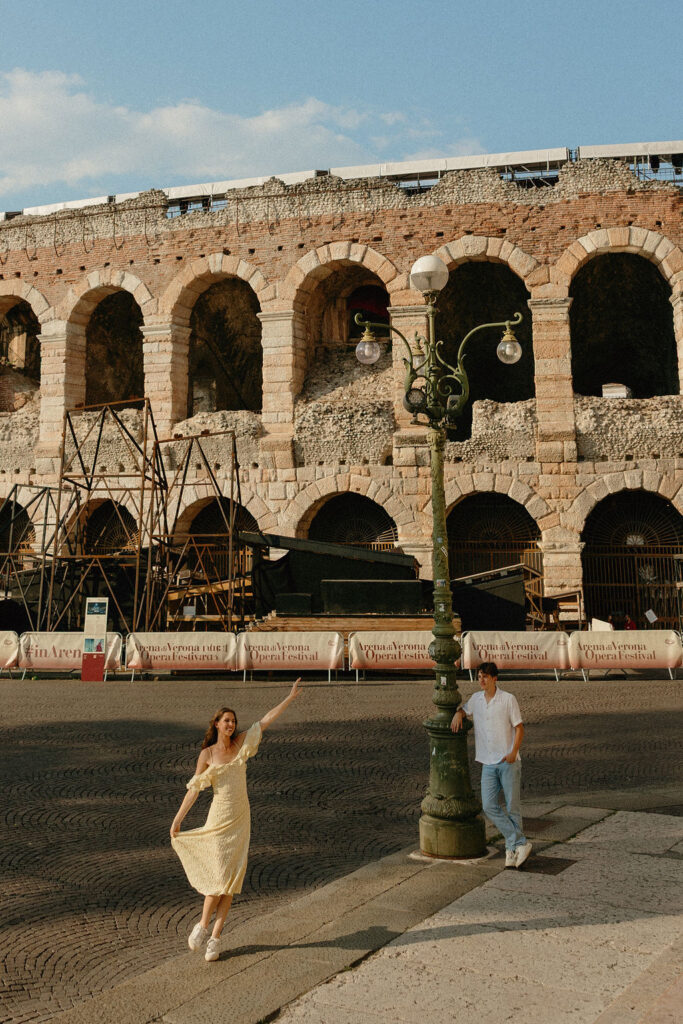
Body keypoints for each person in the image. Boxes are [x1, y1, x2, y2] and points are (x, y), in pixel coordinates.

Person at [170, 679, 302, 961]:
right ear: (216, 724)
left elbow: (266, 720)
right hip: (219, 818)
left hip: (241, 816)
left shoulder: (242, 742)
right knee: (219, 875)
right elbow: (194, 789)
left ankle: (216, 937)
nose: (231, 724)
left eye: (233, 721)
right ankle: (202, 926)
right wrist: (178, 820)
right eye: (226, 720)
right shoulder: (207, 754)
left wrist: (289, 698)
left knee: (231, 878)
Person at [450, 662, 532, 869]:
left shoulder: (508, 699)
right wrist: (458, 713)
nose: (481, 680)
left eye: (485, 677)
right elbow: (464, 709)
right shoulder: (476, 700)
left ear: (495, 678)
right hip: (487, 762)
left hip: (507, 761)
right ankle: (519, 842)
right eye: (479, 677)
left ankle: (511, 849)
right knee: (488, 806)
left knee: (513, 807)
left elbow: (520, 728)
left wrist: (513, 752)